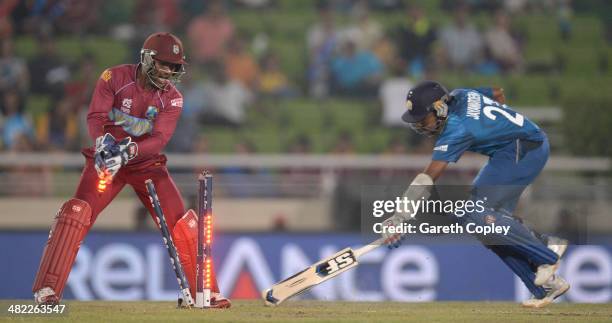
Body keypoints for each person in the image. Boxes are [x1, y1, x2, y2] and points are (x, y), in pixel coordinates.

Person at [31, 32, 231, 308]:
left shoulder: (173, 99)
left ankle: (205, 292)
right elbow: (96, 117)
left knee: (184, 223)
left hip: (145, 164)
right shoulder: (113, 78)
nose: (168, 72)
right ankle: (46, 290)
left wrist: (132, 150)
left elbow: (160, 139)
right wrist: (104, 143)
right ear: (147, 59)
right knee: (76, 214)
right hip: (107, 160)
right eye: (163, 64)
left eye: (174, 67)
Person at [383, 80, 569, 308]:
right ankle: (544, 287)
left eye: (424, 117)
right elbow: (498, 93)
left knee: (474, 213)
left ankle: (546, 249)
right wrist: (500, 127)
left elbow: (428, 176)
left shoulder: (456, 128)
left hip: (525, 150)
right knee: (479, 223)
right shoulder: (461, 94)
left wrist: (400, 216)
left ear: (440, 107)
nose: (420, 124)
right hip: (511, 150)